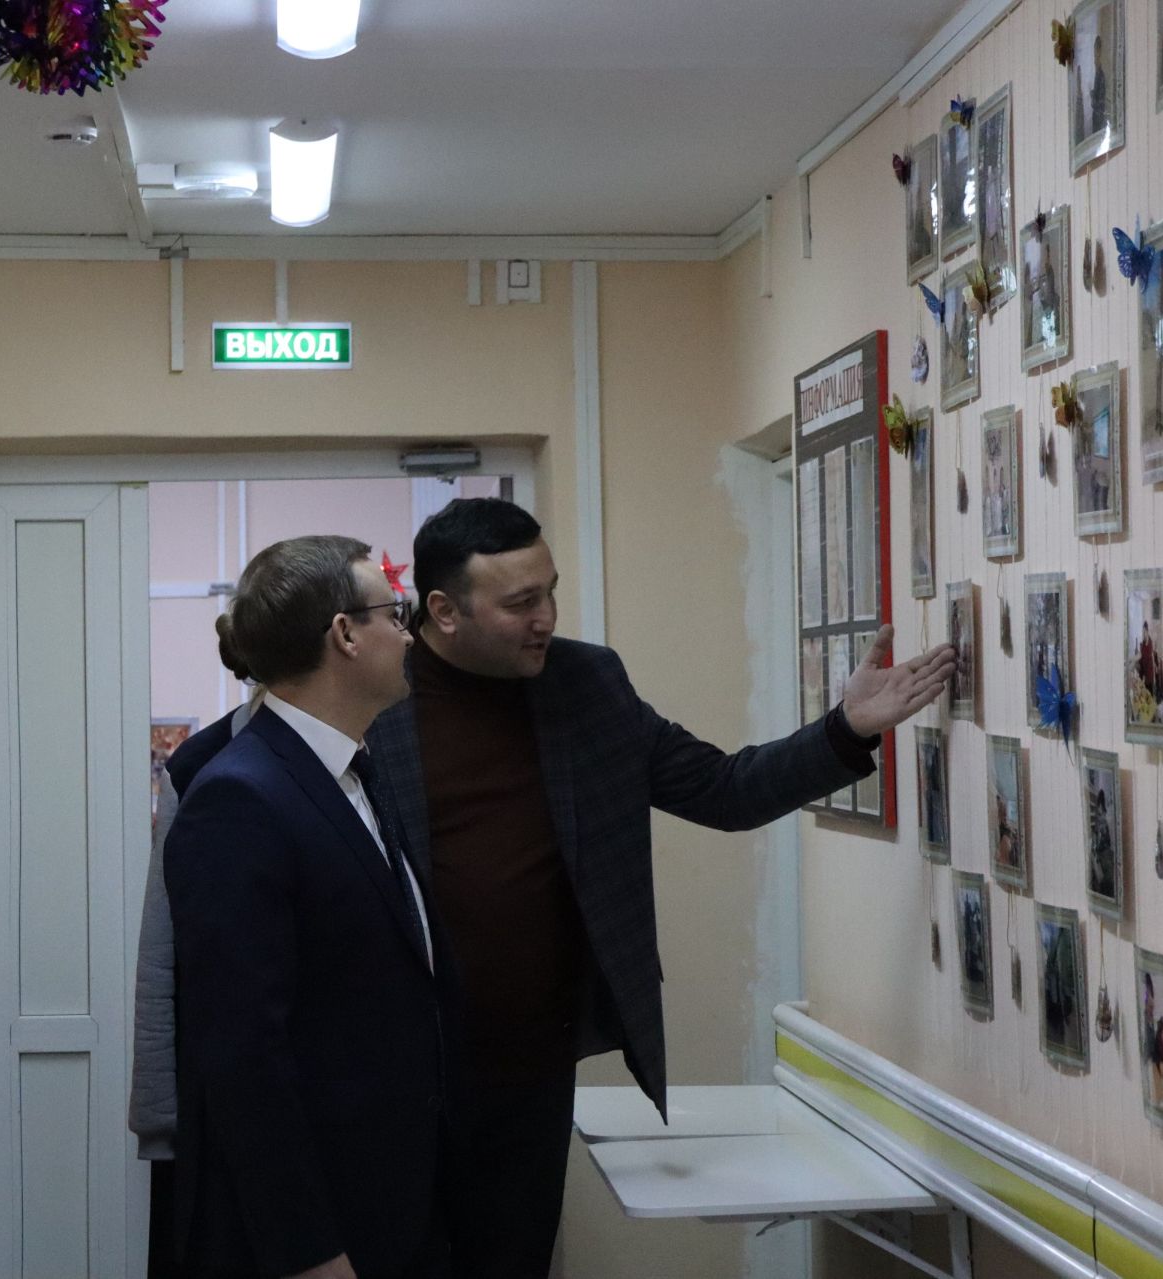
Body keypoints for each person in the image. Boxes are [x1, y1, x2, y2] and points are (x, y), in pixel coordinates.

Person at [362, 499, 956, 1278]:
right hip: (388, 1070)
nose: (546, 618)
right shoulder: (369, 693)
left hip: (529, 1070)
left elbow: (722, 788)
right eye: (520, 602)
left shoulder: (586, 683)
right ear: (443, 610)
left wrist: (845, 727)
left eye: (550, 591)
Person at [165, 536, 461, 1279]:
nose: (408, 634)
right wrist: (310, 1252)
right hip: (316, 1232)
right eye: (393, 614)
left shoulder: (353, 771)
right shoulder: (240, 797)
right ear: (345, 634)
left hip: (390, 1200)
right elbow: (242, 1054)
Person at [130, 620, 263, 1279]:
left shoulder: (372, 757)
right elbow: (162, 948)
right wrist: (160, 1118)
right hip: (220, 1098)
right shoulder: (204, 765)